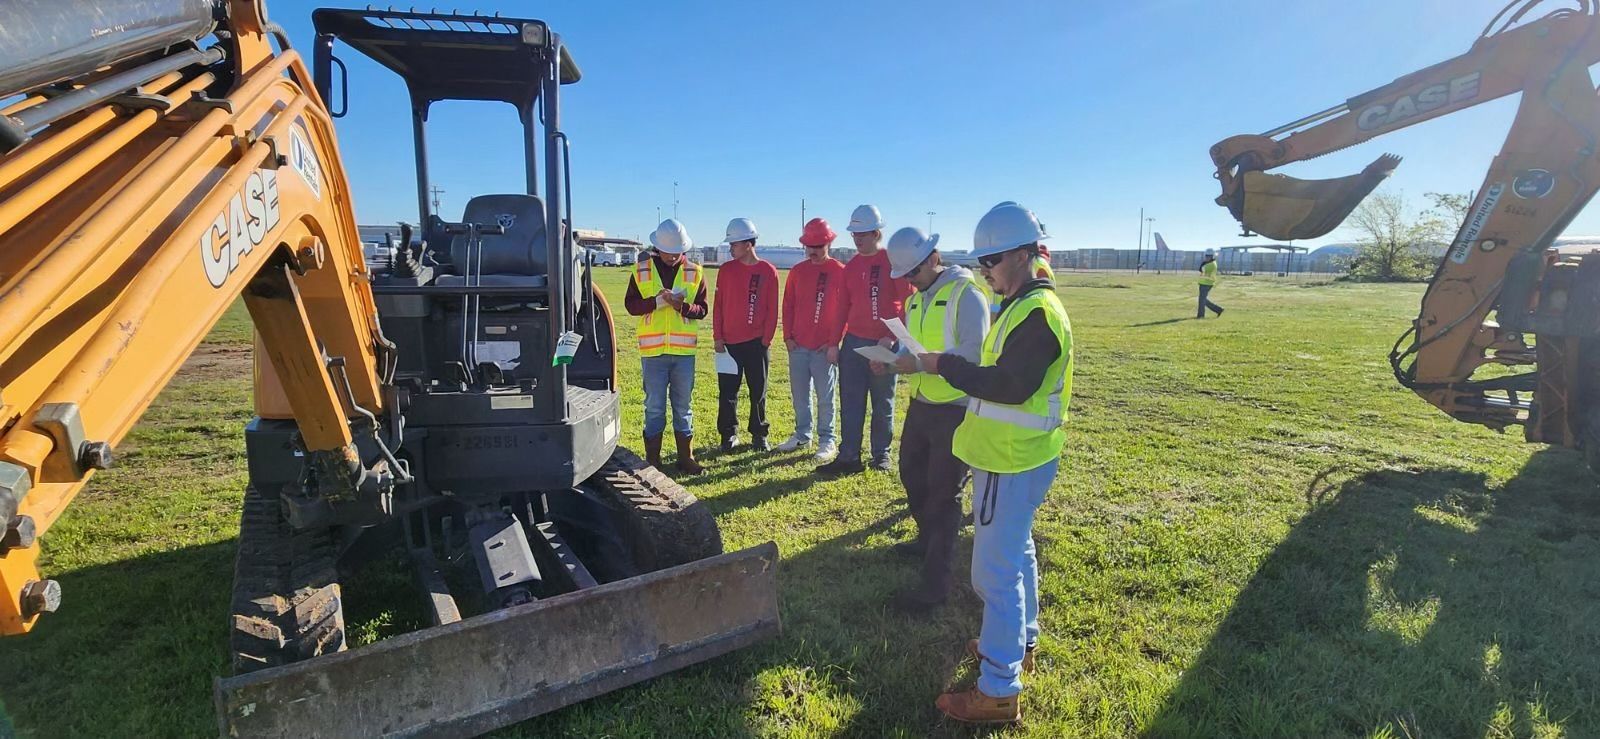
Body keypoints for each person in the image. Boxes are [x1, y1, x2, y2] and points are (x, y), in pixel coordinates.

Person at [913, 202, 1072, 723]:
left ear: (1025, 255)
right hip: (1017, 459)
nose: (986, 272)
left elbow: (1009, 385)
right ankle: (1022, 639)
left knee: (994, 575)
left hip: (1010, 462)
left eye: (994, 260)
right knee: (1018, 553)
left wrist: (946, 366)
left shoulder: (1038, 315)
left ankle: (999, 687)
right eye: (981, 263)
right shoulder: (1023, 302)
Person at [876, 226, 988, 614]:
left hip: (956, 408)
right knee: (912, 475)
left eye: (913, 273)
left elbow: (974, 354)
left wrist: (920, 362)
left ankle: (935, 585)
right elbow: (910, 346)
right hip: (922, 402)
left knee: (944, 495)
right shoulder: (916, 299)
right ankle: (927, 542)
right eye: (904, 276)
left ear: (934, 258)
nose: (909, 281)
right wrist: (891, 360)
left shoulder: (966, 295)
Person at [817, 204, 913, 475]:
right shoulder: (851, 268)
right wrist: (835, 343)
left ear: (876, 233)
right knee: (851, 401)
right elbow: (841, 309)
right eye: (854, 234)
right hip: (854, 344)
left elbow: (908, 305)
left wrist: (890, 338)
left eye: (863, 234)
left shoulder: (892, 262)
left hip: (883, 346)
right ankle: (849, 456)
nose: (858, 239)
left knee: (883, 402)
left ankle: (881, 455)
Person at [623, 219, 708, 474]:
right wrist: (656, 303)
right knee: (654, 406)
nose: (672, 257)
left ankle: (686, 458)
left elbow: (702, 310)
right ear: (657, 248)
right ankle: (653, 460)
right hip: (653, 353)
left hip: (683, 354)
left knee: (684, 407)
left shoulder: (695, 271)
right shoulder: (641, 270)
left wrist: (681, 306)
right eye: (667, 252)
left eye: (677, 252)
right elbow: (631, 305)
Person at [775, 218, 846, 460]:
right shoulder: (797, 271)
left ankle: (828, 439)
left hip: (824, 348)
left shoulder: (839, 271)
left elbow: (846, 310)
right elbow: (788, 304)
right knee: (800, 394)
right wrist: (787, 337)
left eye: (817, 246)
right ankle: (802, 434)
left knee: (825, 397)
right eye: (809, 246)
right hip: (798, 345)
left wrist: (834, 342)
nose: (812, 251)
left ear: (828, 243)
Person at [713, 218, 779, 452]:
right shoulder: (726, 271)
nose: (730, 249)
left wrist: (766, 339)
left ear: (748, 244)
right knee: (728, 392)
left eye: (734, 244)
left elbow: (772, 309)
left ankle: (759, 434)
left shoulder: (768, 271)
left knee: (758, 391)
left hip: (756, 344)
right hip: (729, 344)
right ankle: (728, 435)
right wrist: (718, 337)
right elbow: (718, 305)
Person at [1197, 248, 1224, 318]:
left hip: (1207, 284)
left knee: (1202, 300)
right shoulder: (1210, 263)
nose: (1207, 257)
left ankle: (1200, 316)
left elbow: (1201, 269)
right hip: (1204, 283)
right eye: (1206, 256)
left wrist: (1203, 262)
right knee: (1203, 300)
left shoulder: (1211, 264)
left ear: (1212, 257)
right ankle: (1218, 310)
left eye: (1209, 256)